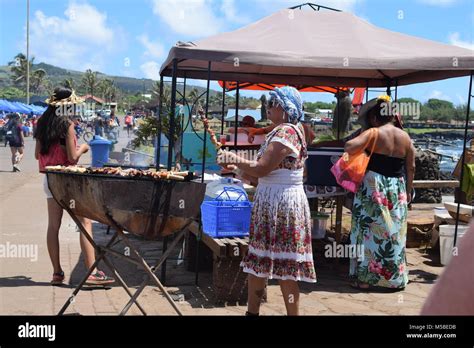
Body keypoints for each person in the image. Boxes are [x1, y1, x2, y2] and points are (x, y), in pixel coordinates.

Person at [218, 86, 316, 316]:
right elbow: (260, 176)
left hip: (282, 206)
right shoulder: (278, 132)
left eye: (273, 103)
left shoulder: (288, 132)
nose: (269, 107)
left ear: (285, 108)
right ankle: (252, 313)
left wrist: (234, 158)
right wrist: (236, 170)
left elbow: (262, 168)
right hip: (271, 201)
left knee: (285, 265)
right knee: (259, 260)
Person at [34, 87, 115, 286]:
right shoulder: (67, 125)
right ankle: (92, 273)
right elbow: (72, 157)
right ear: (66, 105)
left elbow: (37, 155)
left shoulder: (42, 123)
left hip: (49, 180)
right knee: (85, 224)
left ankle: (56, 273)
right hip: (69, 182)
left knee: (53, 226)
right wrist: (84, 148)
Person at [345, 96, 415, 290]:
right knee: (394, 233)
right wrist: (408, 193)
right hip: (397, 189)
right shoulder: (405, 137)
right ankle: (393, 279)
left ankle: (364, 280)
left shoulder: (374, 133)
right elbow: (411, 167)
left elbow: (349, 147)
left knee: (366, 232)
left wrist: (364, 145)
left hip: (373, 186)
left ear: (375, 118)